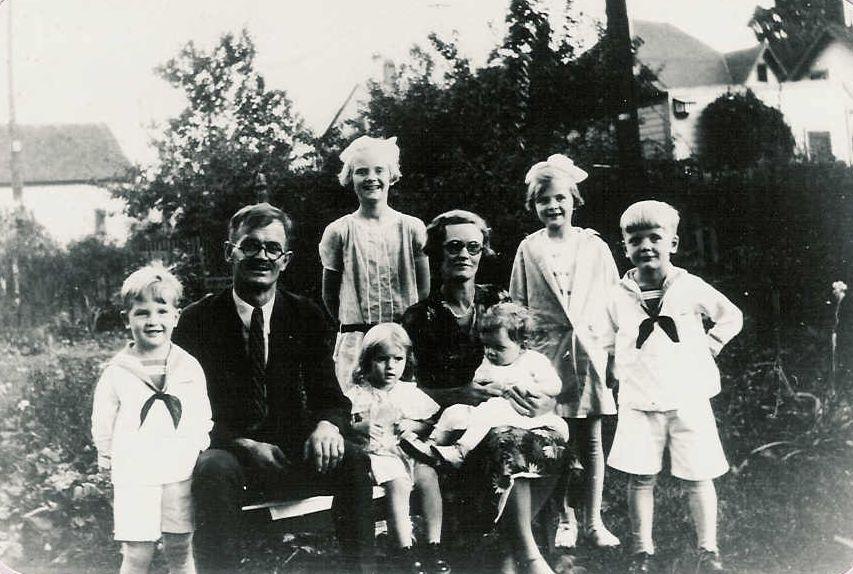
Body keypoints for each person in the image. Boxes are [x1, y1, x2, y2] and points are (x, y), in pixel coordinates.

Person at [172, 203, 375, 574]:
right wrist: (243, 445)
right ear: (229, 252)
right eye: (250, 245)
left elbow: (330, 397)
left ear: (286, 260)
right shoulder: (197, 321)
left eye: (272, 248)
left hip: (290, 451)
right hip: (228, 452)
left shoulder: (306, 315)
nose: (262, 256)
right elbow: (182, 412)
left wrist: (327, 426)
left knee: (354, 460)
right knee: (213, 468)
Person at [402, 210, 570, 574]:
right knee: (503, 442)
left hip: (514, 414)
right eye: (454, 246)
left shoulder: (498, 300)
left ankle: (511, 552)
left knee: (550, 440)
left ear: (483, 252)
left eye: (473, 247)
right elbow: (407, 389)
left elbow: (529, 356)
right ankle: (525, 553)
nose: (464, 254)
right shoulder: (420, 317)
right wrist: (460, 393)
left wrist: (544, 399)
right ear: (437, 252)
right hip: (455, 424)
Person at [602, 200, 742, 574]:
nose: (645, 246)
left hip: (687, 395)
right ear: (625, 247)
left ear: (673, 243)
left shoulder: (689, 287)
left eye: (654, 237)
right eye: (635, 240)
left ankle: (708, 550)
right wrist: (614, 363)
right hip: (639, 398)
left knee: (699, 474)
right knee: (640, 475)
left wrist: (710, 345)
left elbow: (731, 316)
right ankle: (642, 551)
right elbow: (602, 335)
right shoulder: (617, 294)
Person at [509, 154, 620, 549]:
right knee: (554, 439)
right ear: (533, 205)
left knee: (591, 440)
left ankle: (594, 519)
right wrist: (522, 359)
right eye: (544, 200)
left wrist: (613, 355)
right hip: (547, 355)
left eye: (560, 198)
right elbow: (519, 306)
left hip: (589, 352)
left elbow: (614, 302)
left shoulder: (594, 246)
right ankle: (564, 519)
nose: (553, 206)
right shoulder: (529, 248)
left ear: (574, 200)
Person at [92, 264, 212, 574]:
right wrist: (106, 457)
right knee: (137, 551)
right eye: (142, 313)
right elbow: (103, 418)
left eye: (161, 311)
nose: (152, 321)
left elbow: (201, 411)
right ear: (126, 319)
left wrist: (198, 446)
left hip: (179, 471)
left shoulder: (187, 366)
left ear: (176, 316)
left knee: (180, 547)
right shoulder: (118, 370)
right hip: (134, 473)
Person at [320, 135, 430, 389]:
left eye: (379, 170)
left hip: (400, 341)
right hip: (357, 341)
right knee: (358, 404)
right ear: (350, 178)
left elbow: (423, 289)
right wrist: (353, 325)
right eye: (361, 171)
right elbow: (330, 295)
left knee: (404, 403)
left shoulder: (411, 228)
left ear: (391, 175)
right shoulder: (339, 231)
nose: (371, 177)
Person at [400, 302, 568, 469]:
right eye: (487, 346)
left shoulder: (533, 360)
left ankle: (460, 451)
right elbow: (479, 381)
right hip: (486, 407)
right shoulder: (488, 362)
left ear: (522, 346)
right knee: (454, 411)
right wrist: (483, 386)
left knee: (486, 417)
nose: (490, 352)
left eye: (499, 347)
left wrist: (533, 390)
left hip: (518, 413)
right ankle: (433, 443)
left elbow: (555, 385)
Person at [345, 323, 449, 574]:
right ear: (367, 360)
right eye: (382, 359)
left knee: (429, 477)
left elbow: (429, 422)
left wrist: (413, 425)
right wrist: (360, 426)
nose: (391, 366)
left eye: (398, 359)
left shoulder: (408, 391)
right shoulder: (359, 394)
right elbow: (345, 423)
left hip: (409, 451)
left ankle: (434, 545)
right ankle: (405, 550)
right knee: (398, 484)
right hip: (380, 454)